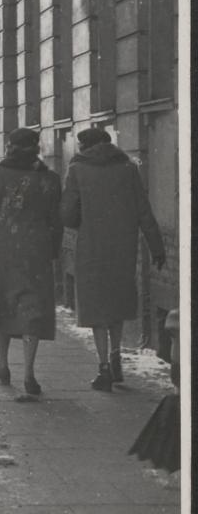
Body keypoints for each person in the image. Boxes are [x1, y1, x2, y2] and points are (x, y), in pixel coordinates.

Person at [60, 126, 167, 392]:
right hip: (123, 247)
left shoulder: (77, 170)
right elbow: (144, 211)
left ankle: (104, 367)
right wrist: (157, 248)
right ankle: (117, 355)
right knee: (116, 303)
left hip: (92, 247)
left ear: (85, 147)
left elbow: (68, 215)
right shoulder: (129, 169)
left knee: (96, 307)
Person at [0, 128, 62, 397]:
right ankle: (29, 374)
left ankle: (3, 365)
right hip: (37, 252)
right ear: (36, 148)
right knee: (32, 308)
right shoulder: (50, 179)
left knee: (3, 304)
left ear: (10, 147)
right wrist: (52, 251)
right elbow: (56, 222)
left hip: (4, 251)